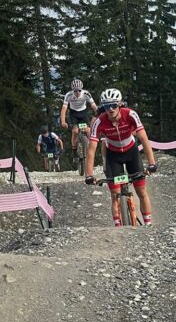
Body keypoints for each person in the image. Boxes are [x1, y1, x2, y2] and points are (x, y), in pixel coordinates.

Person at [84, 88, 158, 227]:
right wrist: (89, 174)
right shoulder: (99, 121)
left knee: (141, 191)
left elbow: (144, 139)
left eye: (113, 105)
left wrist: (152, 163)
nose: (110, 109)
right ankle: (118, 227)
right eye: (107, 106)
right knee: (115, 194)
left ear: (119, 104)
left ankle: (148, 225)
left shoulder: (130, 114)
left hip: (131, 152)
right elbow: (91, 150)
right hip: (113, 155)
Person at [59, 78, 97, 156]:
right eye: (75, 91)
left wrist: (98, 114)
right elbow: (64, 109)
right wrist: (63, 122)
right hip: (73, 114)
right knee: (75, 131)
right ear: (72, 90)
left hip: (83, 113)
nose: (77, 92)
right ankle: (74, 150)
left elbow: (93, 106)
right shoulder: (68, 95)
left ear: (81, 89)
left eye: (79, 90)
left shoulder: (86, 93)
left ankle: (90, 149)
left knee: (89, 131)